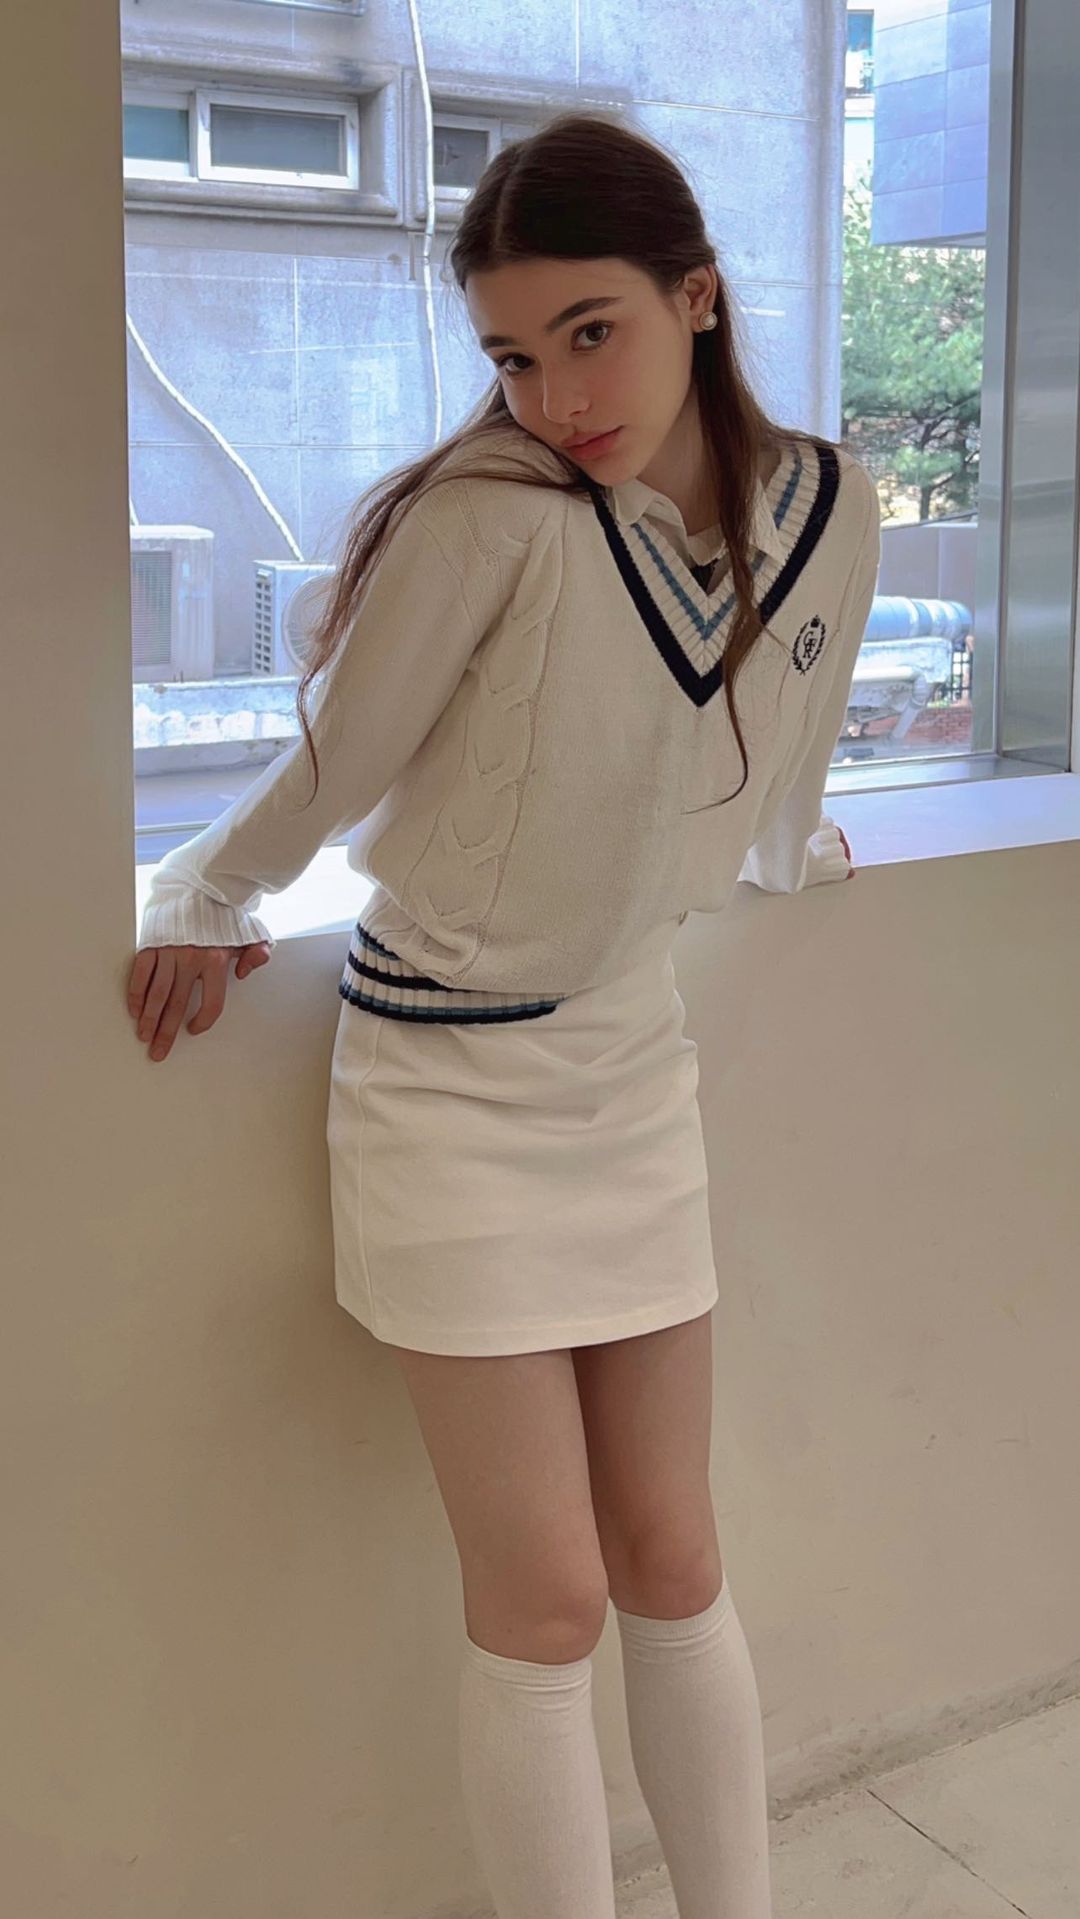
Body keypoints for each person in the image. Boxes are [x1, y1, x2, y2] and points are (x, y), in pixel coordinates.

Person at [127, 110, 879, 1919]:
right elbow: (335, 771)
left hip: (629, 1061)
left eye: (589, 332)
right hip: (445, 1086)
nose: (555, 394)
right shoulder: (491, 520)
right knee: (545, 1602)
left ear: (698, 297)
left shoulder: (829, 505)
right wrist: (204, 896)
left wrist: (790, 842)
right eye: (515, 356)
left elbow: (784, 743)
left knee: (676, 1560)